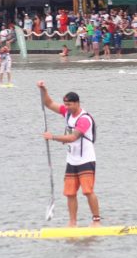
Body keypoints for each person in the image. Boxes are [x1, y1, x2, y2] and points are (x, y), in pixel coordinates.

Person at [36, 81, 101, 227]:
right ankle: (72, 222)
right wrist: (43, 89)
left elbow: (72, 137)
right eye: (65, 104)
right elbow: (48, 103)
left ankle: (96, 221)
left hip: (86, 159)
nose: (66, 107)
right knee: (70, 193)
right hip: (72, 160)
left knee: (87, 191)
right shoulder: (67, 113)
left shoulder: (84, 119)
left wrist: (52, 137)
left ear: (77, 103)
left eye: (69, 105)